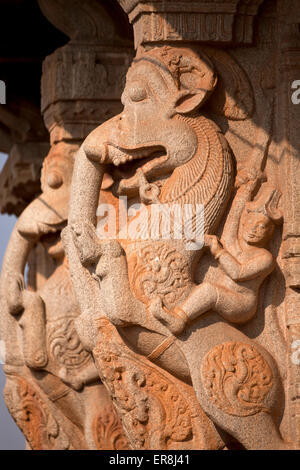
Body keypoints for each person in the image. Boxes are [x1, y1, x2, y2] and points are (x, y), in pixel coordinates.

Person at [151, 179, 283, 335]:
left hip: (241, 303)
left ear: (269, 233)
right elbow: (233, 216)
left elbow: (238, 273)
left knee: (209, 290)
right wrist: (245, 190)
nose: (254, 229)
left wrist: (217, 249)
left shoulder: (265, 258)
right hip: (222, 290)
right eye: (251, 222)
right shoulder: (231, 242)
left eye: (262, 227)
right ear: (244, 222)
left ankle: (178, 320)